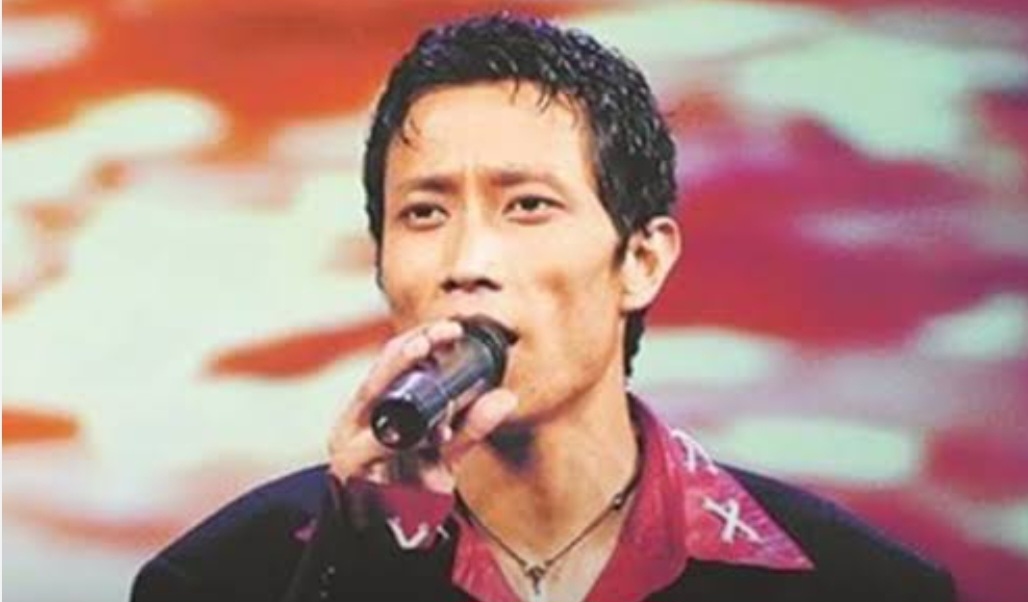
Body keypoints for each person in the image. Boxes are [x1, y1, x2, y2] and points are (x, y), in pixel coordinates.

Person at [131, 13, 955, 602]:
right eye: (425, 213)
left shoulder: (862, 586)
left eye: (527, 206)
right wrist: (369, 569)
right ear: (381, 265)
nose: (467, 263)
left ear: (642, 261)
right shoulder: (220, 580)